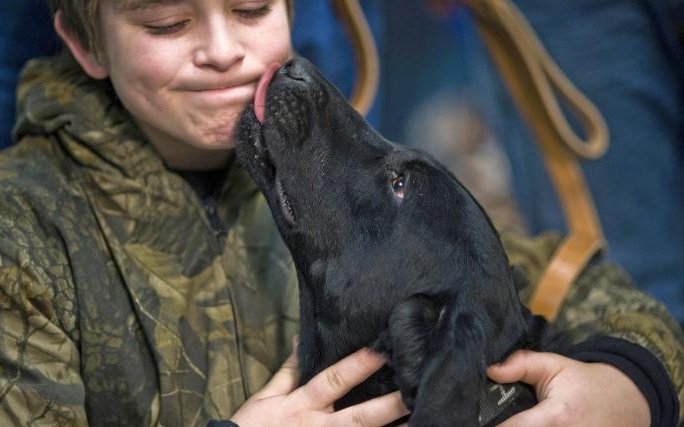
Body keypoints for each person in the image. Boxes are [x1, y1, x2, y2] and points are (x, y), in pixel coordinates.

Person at [0, 1, 681, 426]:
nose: (222, 50)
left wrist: (627, 385)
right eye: (166, 22)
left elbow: (586, 289)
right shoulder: (24, 234)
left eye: (251, 7)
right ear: (87, 43)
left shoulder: (311, 169)